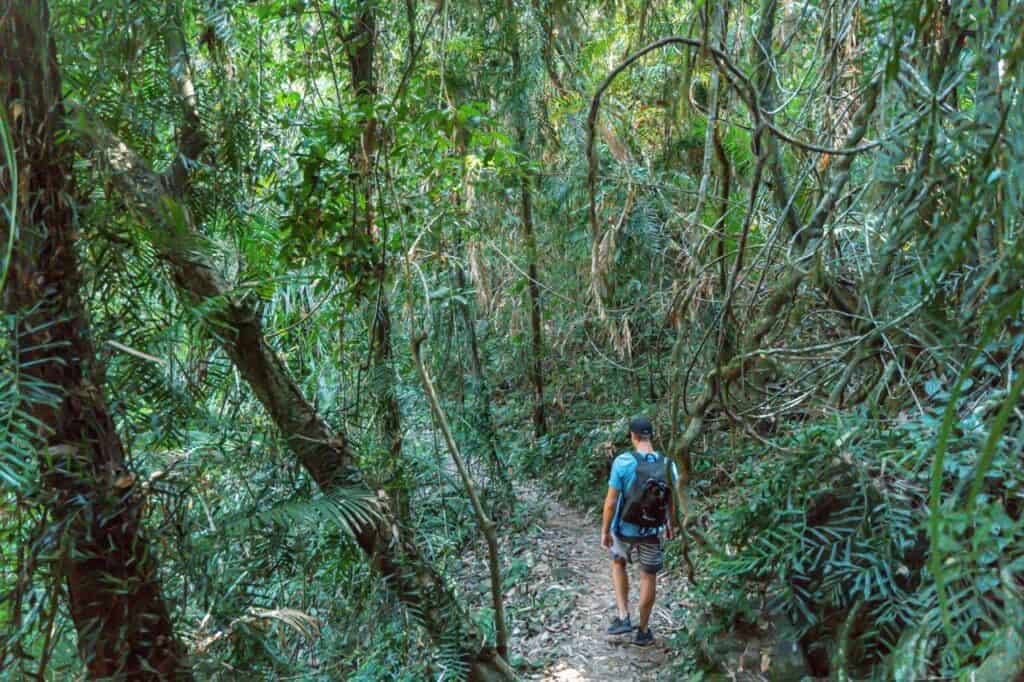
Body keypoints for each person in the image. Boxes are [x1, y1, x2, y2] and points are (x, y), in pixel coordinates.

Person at [601, 415, 676, 647]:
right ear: (650, 435)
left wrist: (605, 530)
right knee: (648, 576)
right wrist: (671, 523)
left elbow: (611, 502)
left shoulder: (623, 462)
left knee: (618, 563)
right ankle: (643, 630)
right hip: (652, 529)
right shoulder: (668, 464)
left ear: (632, 435)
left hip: (624, 529)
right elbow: (671, 499)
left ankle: (623, 616)